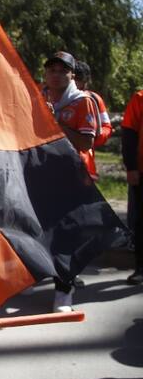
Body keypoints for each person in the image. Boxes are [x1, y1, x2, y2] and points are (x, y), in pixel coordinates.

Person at [42, 51, 99, 309]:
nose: (55, 75)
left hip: (74, 175)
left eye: (61, 70)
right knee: (44, 232)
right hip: (43, 173)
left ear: (72, 75)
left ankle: (63, 293)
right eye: (51, 70)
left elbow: (87, 141)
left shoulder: (82, 102)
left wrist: (54, 122)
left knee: (66, 235)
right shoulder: (38, 97)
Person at [74, 60, 113, 181]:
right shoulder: (50, 94)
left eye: (79, 79)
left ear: (86, 81)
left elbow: (107, 127)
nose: (75, 83)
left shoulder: (94, 99)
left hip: (84, 158)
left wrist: (92, 136)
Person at [121, 89, 143, 285]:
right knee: (141, 221)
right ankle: (140, 267)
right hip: (142, 170)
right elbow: (128, 133)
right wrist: (131, 167)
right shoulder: (140, 98)